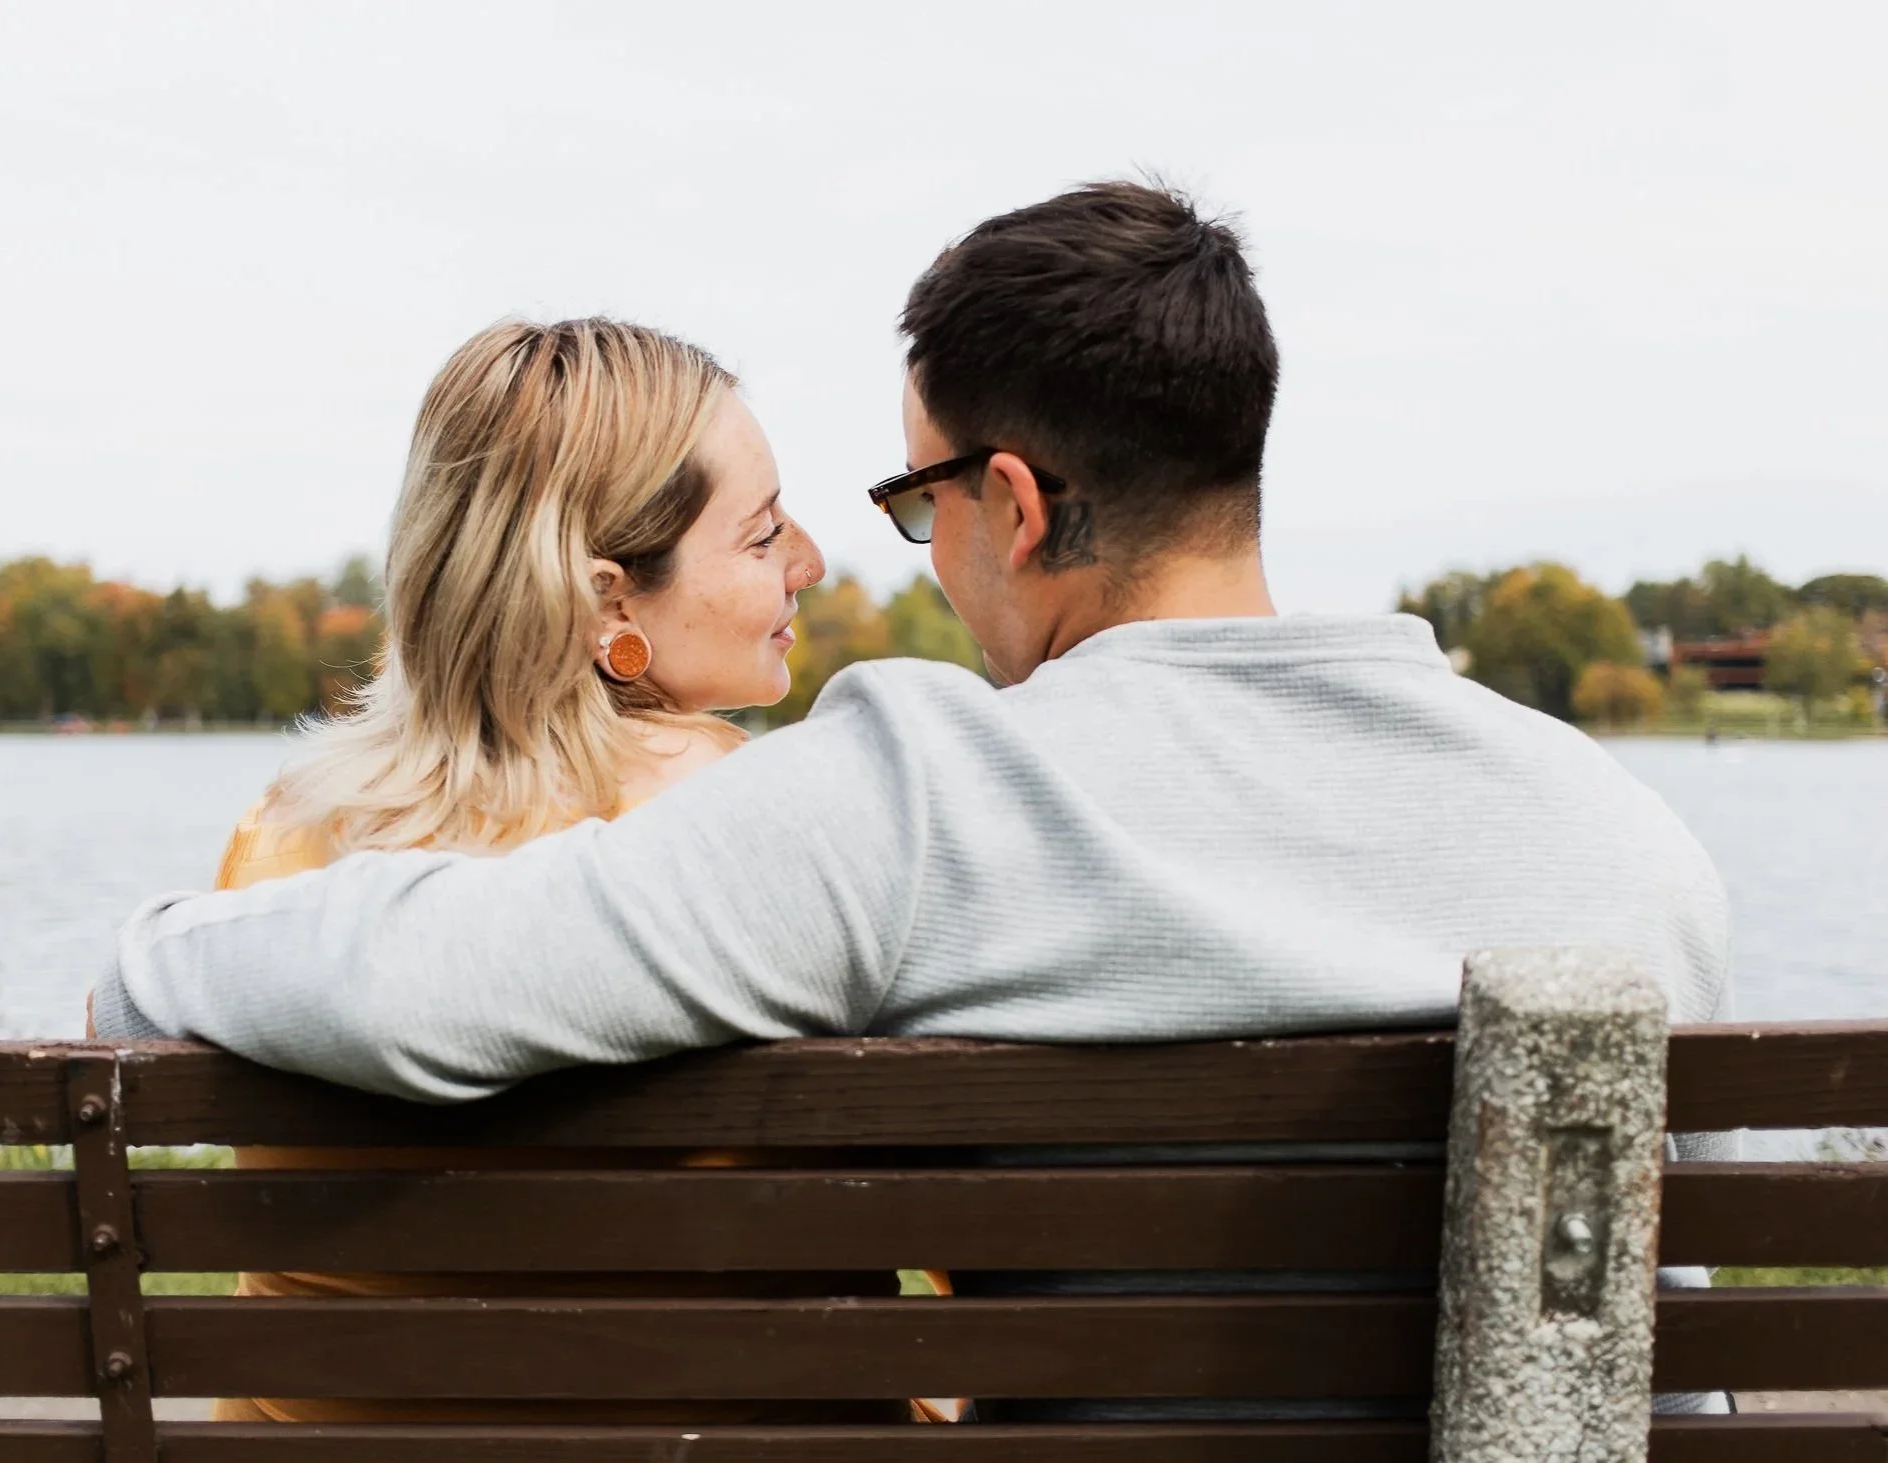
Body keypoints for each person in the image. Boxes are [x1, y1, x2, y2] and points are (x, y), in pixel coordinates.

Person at [95, 182, 1733, 1418]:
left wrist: (155, 959)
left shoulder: (929, 799)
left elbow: (427, 983)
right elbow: (1660, 1323)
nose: (893, 553)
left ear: (1010, 506)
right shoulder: (1622, 841)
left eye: (911, 500)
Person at [159, 315, 937, 1427]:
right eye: (763, 537)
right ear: (612, 600)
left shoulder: (279, 837)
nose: (810, 560)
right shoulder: (764, 820)